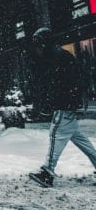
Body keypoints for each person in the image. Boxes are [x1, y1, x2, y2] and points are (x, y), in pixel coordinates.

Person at [28, 27, 96, 187]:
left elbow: (57, 84)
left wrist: (51, 102)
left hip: (64, 105)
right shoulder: (61, 55)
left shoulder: (56, 58)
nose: (38, 47)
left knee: (55, 135)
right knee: (81, 141)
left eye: (39, 42)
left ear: (44, 42)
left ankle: (47, 172)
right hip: (69, 103)